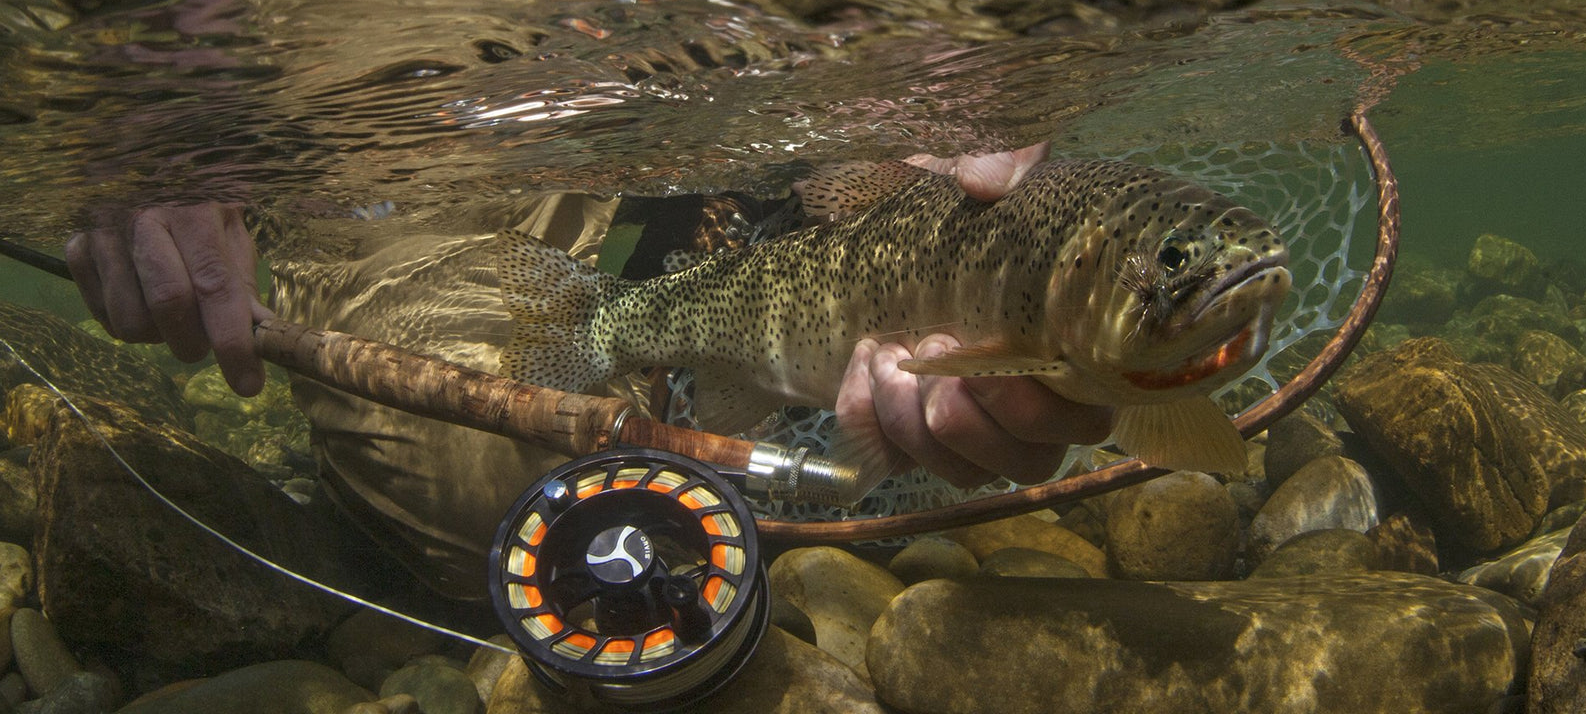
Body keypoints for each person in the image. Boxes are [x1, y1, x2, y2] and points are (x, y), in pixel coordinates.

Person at [65, 146, 1109, 595]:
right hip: (391, 118)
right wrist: (154, 132)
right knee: (518, 495)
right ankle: (652, 335)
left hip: (680, 58)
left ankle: (715, 272)